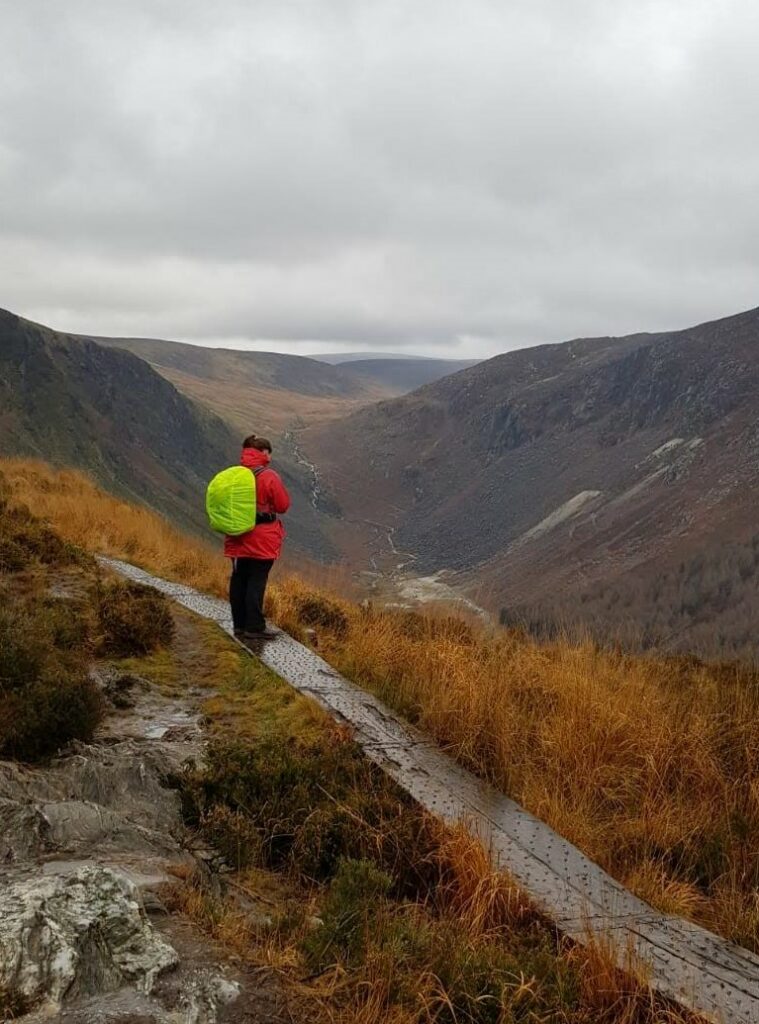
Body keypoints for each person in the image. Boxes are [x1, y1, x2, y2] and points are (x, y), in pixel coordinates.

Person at [224, 435, 290, 640]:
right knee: (256, 580)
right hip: (262, 537)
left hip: (237, 535)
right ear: (263, 453)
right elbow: (282, 505)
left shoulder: (235, 475)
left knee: (239, 578)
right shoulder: (269, 476)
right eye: (268, 453)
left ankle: (239, 625)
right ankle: (254, 626)